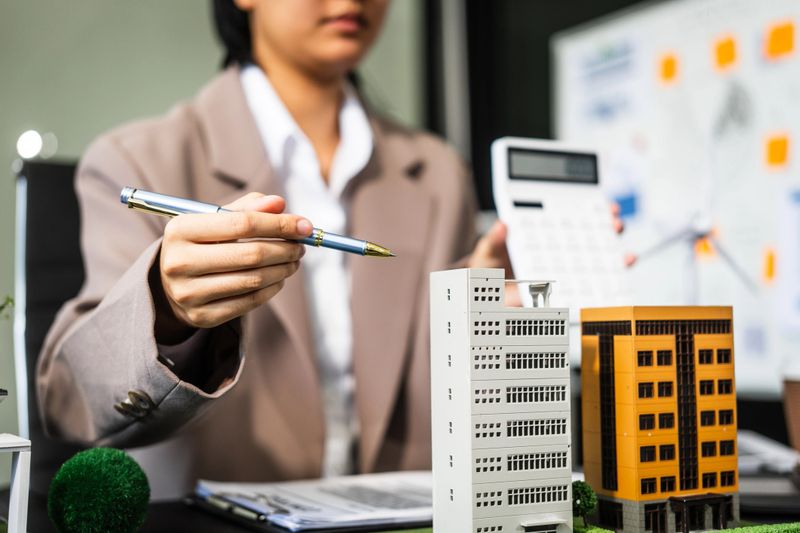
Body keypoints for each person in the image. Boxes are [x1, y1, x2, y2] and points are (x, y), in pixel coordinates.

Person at [37, 0, 511, 498]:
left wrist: (480, 308)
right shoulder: (136, 159)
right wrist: (166, 309)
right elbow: (71, 403)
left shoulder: (439, 173)